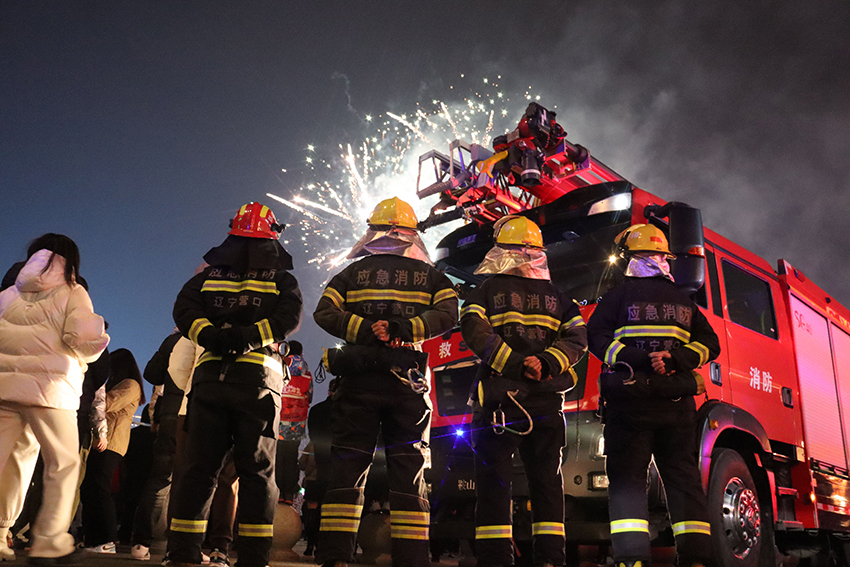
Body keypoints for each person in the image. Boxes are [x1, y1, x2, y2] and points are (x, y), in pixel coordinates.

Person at [313, 197, 459, 567]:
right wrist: (405, 329)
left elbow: (324, 311)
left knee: (347, 469)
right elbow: (449, 313)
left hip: (358, 380)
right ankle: (412, 559)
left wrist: (364, 329)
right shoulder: (430, 276)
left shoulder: (352, 274)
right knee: (409, 472)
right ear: (412, 233)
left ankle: (335, 558)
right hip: (406, 383)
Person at [166, 202, 303, 567]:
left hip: (210, 381)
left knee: (199, 470)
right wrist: (247, 339)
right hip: (258, 385)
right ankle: (254, 558)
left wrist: (210, 336)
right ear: (273, 234)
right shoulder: (282, 279)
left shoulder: (207, 275)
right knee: (257, 474)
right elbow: (287, 318)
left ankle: (182, 554)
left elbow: (184, 310)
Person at [586, 224, 720, 567]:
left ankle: (632, 559)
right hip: (677, 404)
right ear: (664, 259)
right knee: (683, 480)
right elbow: (711, 344)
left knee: (628, 480)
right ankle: (696, 559)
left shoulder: (615, 298)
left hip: (630, 404)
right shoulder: (683, 301)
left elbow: (597, 338)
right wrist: (676, 359)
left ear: (630, 258)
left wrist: (634, 358)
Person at [459, 215, 587, 567]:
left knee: (494, 482)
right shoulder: (560, 299)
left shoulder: (485, 291)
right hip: (547, 403)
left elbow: (473, 329)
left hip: (501, 403)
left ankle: (496, 559)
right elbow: (578, 340)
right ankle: (550, 559)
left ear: (502, 252)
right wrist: (545, 364)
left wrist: (515, 364)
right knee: (547, 484)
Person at [0, 233, 110, 564]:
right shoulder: (73, 291)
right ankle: (49, 541)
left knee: (11, 463)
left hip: (5, 390)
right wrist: (99, 334)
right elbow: (82, 339)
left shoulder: (7, 295)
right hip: (50, 392)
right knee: (63, 463)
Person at [81, 347, 145, 552]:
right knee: (90, 488)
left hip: (112, 443)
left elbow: (107, 403)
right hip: (101, 441)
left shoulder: (130, 385)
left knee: (100, 488)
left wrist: (94, 392)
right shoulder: (122, 384)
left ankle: (107, 539)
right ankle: (93, 539)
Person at [130, 330, 184, 561]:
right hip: (202, 414)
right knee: (195, 482)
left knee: (160, 479)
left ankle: (141, 542)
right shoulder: (215, 334)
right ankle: (182, 547)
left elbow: (152, 373)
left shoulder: (175, 339)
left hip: (171, 411)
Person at [276, 340, 312, 504]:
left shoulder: (280, 364)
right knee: (291, 457)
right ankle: (289, 495)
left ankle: (276, 492)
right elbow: (309, 397)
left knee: (276, 456)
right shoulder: (306, 372)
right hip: (297, 421)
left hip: (278, 419)